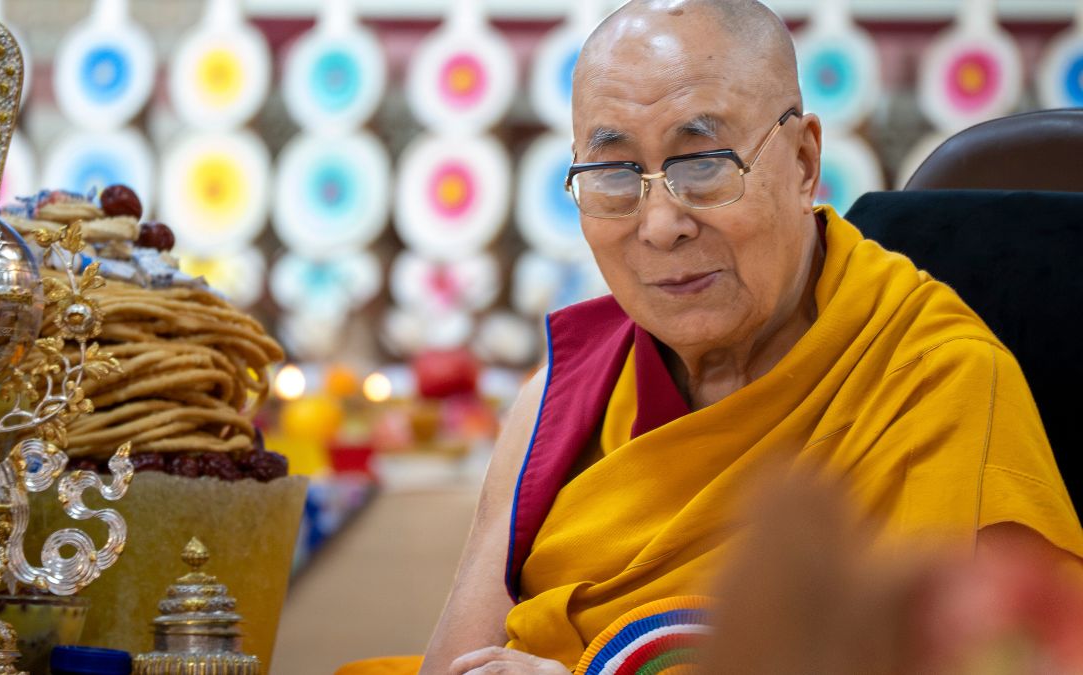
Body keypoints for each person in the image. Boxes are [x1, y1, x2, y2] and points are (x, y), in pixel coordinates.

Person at [339, 1, 1083, 672]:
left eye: (703, 164)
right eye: (613, 172)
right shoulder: (563, 398)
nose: (660, 224)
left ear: (803, 163)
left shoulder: (939, 381)